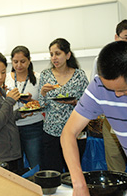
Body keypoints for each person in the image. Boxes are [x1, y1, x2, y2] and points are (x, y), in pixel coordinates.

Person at [61, 41, 127, 196]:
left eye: (123, 90)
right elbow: (68, 133)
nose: (117, 95)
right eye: (110, 89)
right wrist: (79, 184)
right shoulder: (100, 86)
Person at [89, 19, 127, 175]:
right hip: (111, 120)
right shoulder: (101, 61)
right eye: (126, 38)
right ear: (116, 38)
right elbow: (94, 90)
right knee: (114, 164)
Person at [38, 38, 89, 173]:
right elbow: (41, 105)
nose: (54, 58)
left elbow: (89, 104)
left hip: (75, 132)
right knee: (52, 173)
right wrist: (42, 93)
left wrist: (75, 102)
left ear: (67, 55)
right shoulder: (45, 75)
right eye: (51, 54)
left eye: (58, 53)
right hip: (51, 131)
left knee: (73, 173)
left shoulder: (79, 75)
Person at [5, 46, 44, 169]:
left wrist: (31, 101)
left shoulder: (38, 78)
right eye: (15, 62)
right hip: (11, 127)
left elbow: (44, 103)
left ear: (29, 61)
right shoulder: (5, 79)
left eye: (23, 61)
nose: (19, 65)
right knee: (15, 167)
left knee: (35, 164)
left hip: (34, 126)